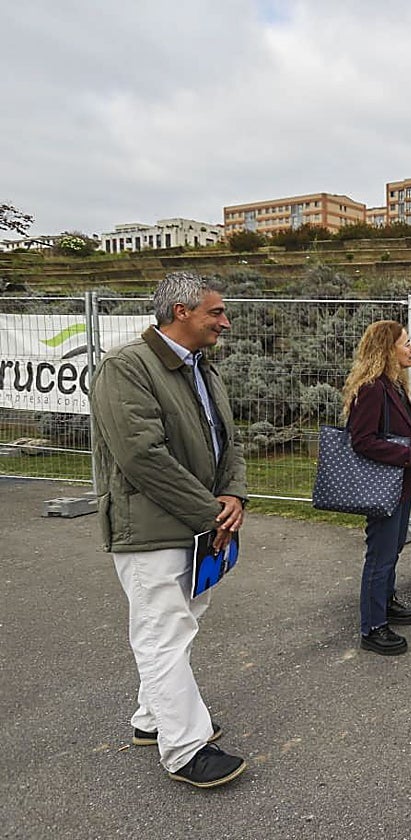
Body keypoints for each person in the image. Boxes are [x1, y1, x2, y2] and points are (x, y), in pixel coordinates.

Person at [91, 272, 248, 789]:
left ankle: (151, 720)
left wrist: (233, 495)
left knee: (177, 627)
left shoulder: (203, 369)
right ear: (181, 312)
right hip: (152, 530)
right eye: (216, 312)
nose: (225, 322)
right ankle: (184, 749)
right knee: (162, 634)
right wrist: (211, 512)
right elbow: (143, 457)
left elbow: (229, 441)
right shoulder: (125, 368)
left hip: (199, 527)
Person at [343, 320, 411, 656]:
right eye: (407, 343)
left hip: (397, 485)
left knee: (392, 549)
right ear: (388, 349)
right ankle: (372, 626)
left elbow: (394, 432)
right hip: (382, 487)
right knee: (380, 556)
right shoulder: (372, 389)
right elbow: (363, 441)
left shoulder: (393, 386)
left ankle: (385, 600)